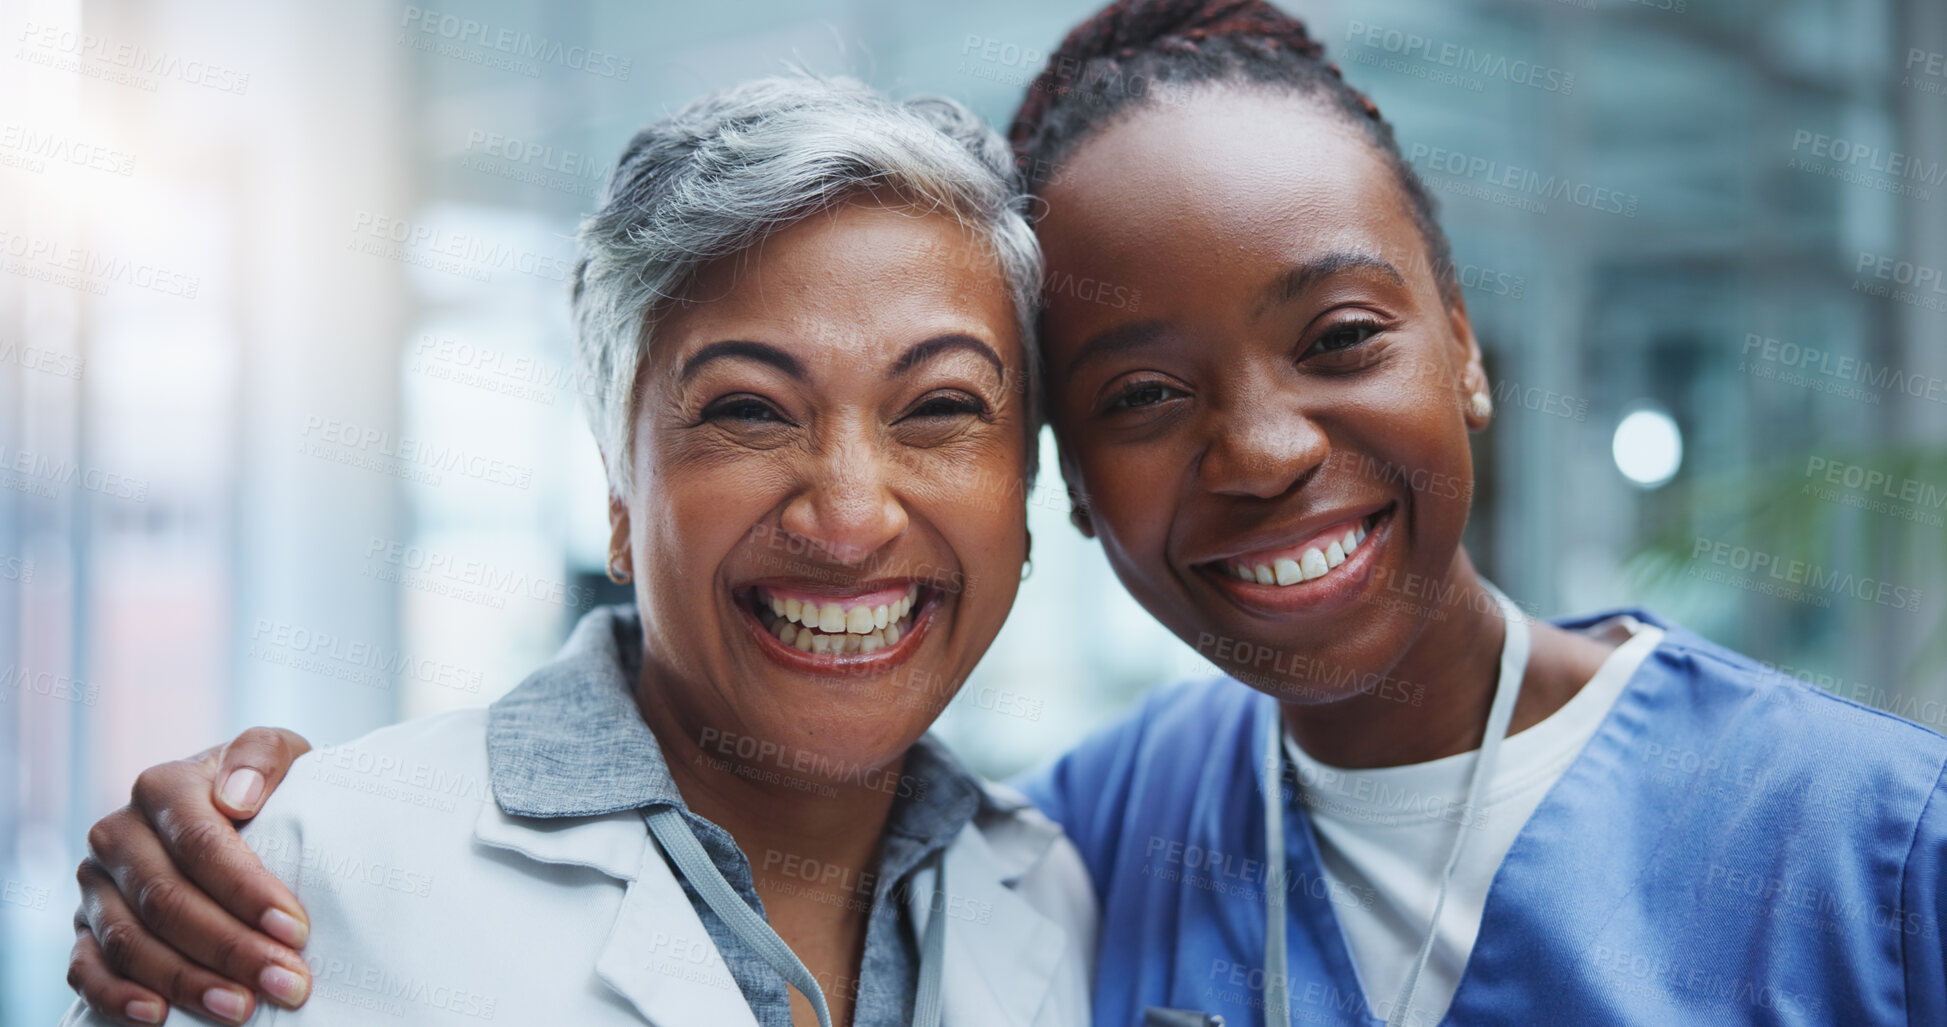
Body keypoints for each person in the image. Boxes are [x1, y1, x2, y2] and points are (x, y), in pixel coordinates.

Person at [66, 2, 1947, 1025]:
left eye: (1344, 333)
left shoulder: (1882, 850)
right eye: (1142, 394)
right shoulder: (1117, 828)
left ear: (1465, 344)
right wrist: (216, 844)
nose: (1267, 448)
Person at [58, 73, 1097, 1027]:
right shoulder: (288, 879)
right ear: (615, 494)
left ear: (1027, 491)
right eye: (749, 409)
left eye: (940, 408)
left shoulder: (1057, 889)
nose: (851, 517)